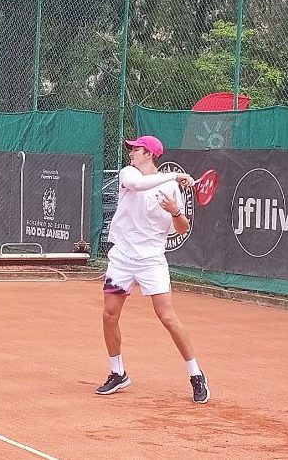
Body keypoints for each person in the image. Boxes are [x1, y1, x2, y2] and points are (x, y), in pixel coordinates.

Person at [96, 135, 210, 404]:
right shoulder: (129, 174)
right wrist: (175, 176)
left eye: (135, 150)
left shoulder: (171, 189)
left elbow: (182, 228)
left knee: (168, 317)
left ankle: (196, 375)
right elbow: (138, 184)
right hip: (122, 258)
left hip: (152, 261)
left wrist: (174, 211)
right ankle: (118, 372)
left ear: (148, 153)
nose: (131, 154)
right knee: (109, 315)